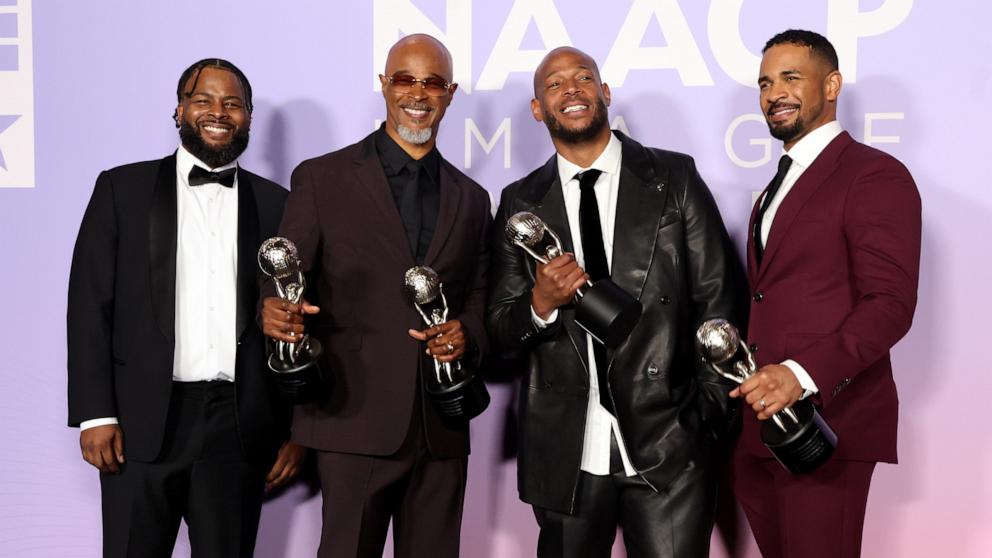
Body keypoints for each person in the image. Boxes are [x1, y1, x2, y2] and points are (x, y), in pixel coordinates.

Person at [487, 46, 749, 558]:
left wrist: (704, 415)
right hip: (566, 449)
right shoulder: (520, 202)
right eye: (555, 84)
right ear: (539, 109)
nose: (572, 89)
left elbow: (719, 298)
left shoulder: (674, 178)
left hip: (668, 441)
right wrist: (540, 302)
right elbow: (500, 330)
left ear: (605, 93)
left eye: (583, 78)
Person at [260, 34, 491, 558]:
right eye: (405, 79)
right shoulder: (322, 178)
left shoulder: (473, 199)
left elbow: (479, 295)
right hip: (352, 418)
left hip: (442, 427)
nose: (418, 92)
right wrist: (270, 312)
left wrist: (468, 333)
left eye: (432, 82)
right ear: (385, 85)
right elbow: (283, 276)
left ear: (450, 93)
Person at [66, 58, 305, 558]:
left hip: (238, 429)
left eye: (233, 104)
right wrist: (94, 415)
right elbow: (90, 305)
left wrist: (295, 428)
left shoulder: (279, 204)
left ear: (248, 118)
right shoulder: (121, 190)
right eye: (203, 100)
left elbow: (296, 322)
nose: (218, 112)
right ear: (179, 111)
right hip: (140, 423)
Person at [729, 29, 922, 558]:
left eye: (792, 77)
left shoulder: (874, 175)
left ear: (831, 84)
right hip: (763, 430)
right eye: (765, 83)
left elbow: (890, 305)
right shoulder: (776, 184)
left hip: (830, 425)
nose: (774, 94)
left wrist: (801, 374)